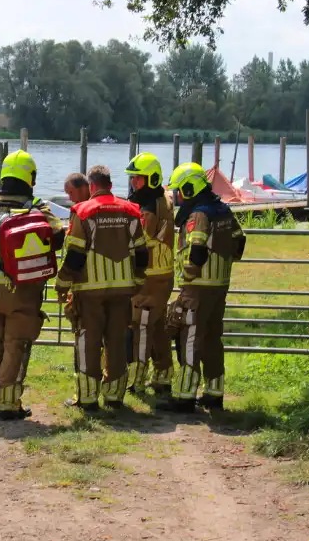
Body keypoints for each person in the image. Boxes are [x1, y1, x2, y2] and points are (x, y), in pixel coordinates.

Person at [0, 150, 65, 421]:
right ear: (29, 177)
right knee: (15, 344)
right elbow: (58, 236)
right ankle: (9, 403)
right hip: (22, 289)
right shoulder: (37, 208)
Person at [56, 165, 148, 411]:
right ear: (110, 184)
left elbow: (75, 254)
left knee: (88, 341)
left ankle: (87, 398)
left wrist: (62, 284)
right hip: (122, 290)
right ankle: (115, 396)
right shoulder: (131, 210)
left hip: (90, 291)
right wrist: (138, 281)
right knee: (117, 342)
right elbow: (141, 251)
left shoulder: (83, 211)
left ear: (92, 186)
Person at [159, 164, 246, 413]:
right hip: (220, 286)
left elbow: (196, 251)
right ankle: (214, 393)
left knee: (189, 340)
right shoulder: (224, 210)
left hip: (197, 288)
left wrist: (188, 276)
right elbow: (240, 242)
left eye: (179, 191)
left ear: (189, 188)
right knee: (212, 340)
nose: (178, 197)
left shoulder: (199, 215)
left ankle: (184, 396)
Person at [124, 153, 176, 395]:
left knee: (140, 326)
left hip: (149, 276)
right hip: (162, 274)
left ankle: (136, 379)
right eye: (133, 178)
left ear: (152, 179)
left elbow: (136, 240)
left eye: (138, 179)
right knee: (156, 327)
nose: (134, 183)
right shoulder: (163, 196)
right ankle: (163, 374)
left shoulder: (147, 209)